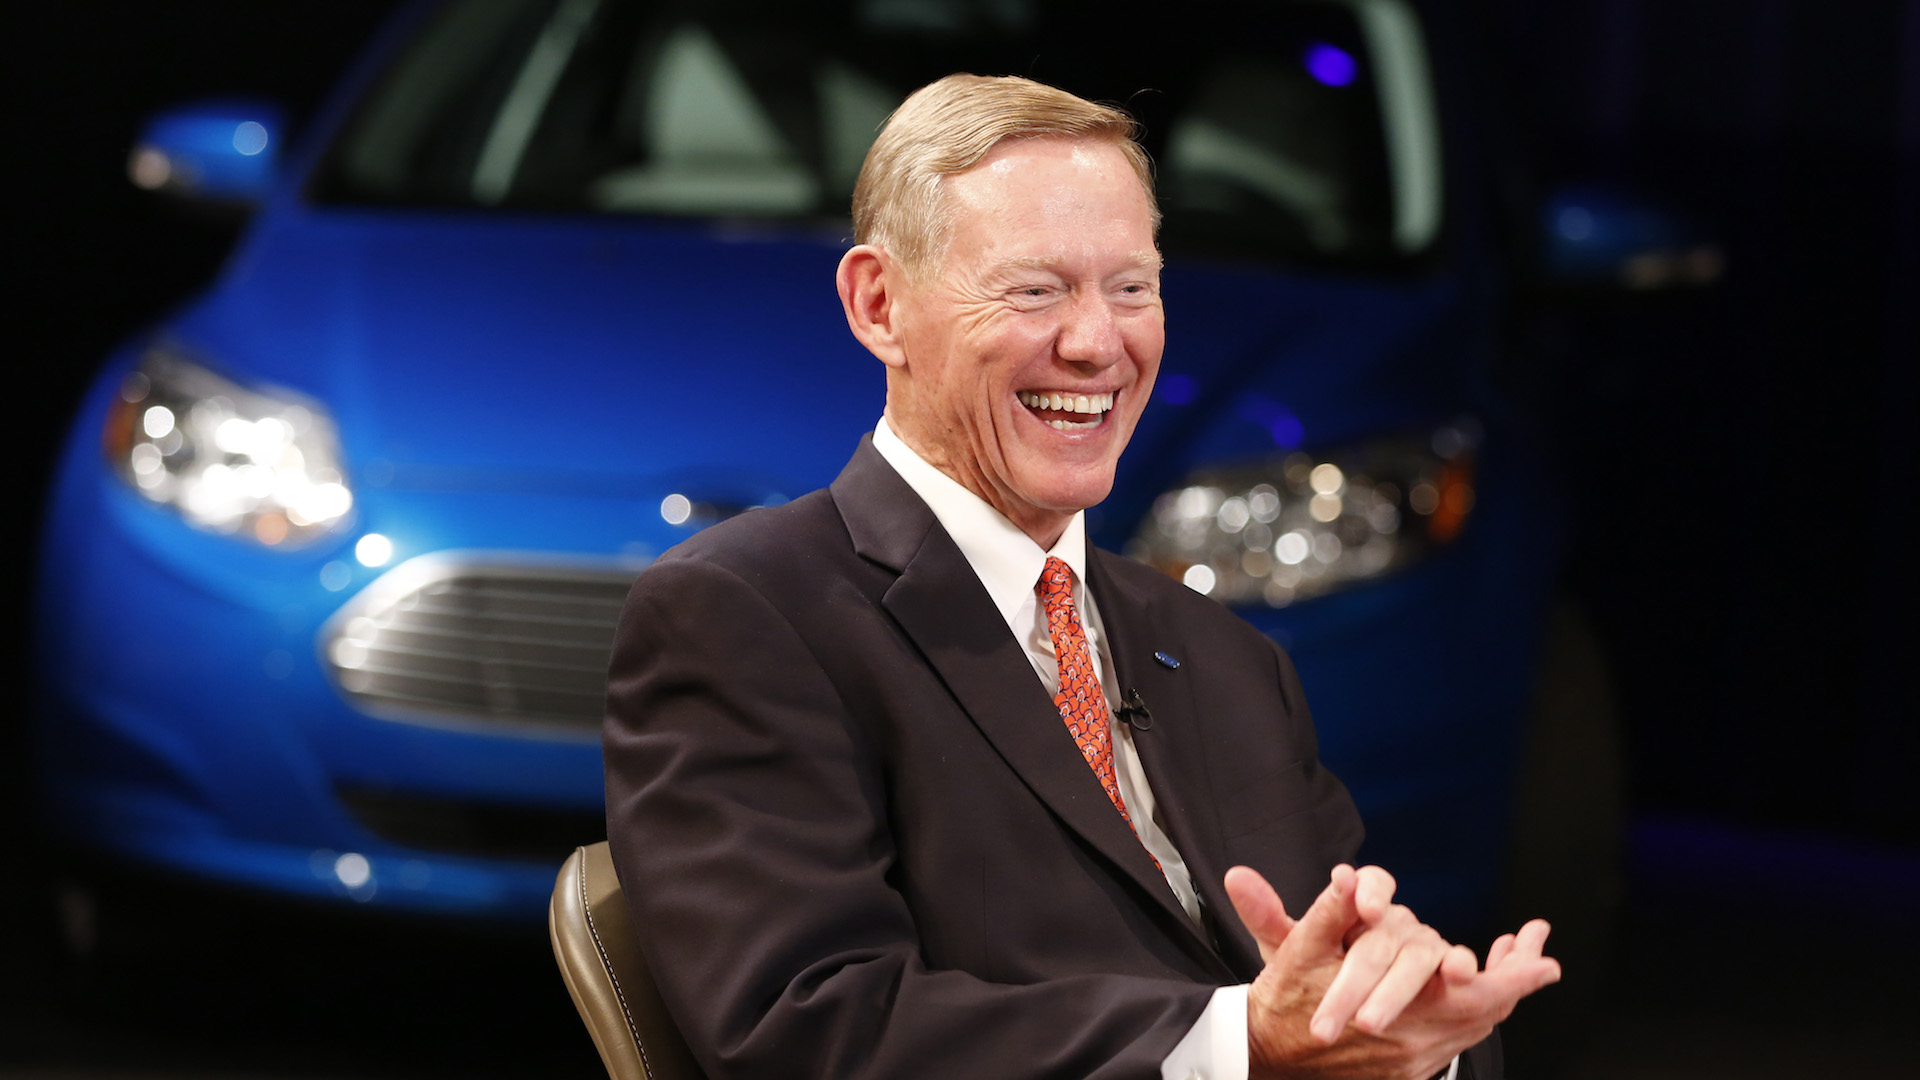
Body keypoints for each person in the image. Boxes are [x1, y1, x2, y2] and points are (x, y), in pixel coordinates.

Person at [603, 73, 1559, 1080]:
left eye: (1132, 288)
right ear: (880, 305)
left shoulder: (1228, 660)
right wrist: (1241, 1046)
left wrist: (1418, 1037)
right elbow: (811, 1029)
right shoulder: (748, 615)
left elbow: (1341, 993)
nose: (1099, 343)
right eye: (1036, 289)